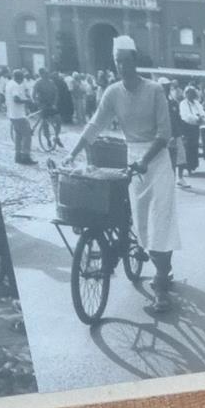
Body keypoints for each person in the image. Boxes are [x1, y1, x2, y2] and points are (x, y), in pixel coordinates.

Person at [66, 36, 180, 316]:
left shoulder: (154, 90)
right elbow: (95, 123)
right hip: (133, 158)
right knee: (140, 223)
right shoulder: (112, 92)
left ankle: (161, 286)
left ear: (135, 61)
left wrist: (145, 161)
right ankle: (143, 257)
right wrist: (73, 152)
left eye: (126, 61)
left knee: (159, 222)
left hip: (157, 160)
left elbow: (164, 134)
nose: (121, 67)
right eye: (117, 62)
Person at [175, 85, 205, 188]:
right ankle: (187, 168)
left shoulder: (197, 103)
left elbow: (202, 112)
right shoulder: (183, 103)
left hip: (195, 127)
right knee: (187, 147)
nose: (190, 95)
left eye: (192, 93)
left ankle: (192, 166)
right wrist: (196, 118)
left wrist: (204, 118)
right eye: (189, 93)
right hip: (186, 127)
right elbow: (185, 115)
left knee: (194, 146)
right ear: (186, 94)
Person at [2, 67, 33, 164]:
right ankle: (26, 157)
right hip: (18, 114)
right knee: (27, 135)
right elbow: (16, 99)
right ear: (19, 77)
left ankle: (18, 156)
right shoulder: (15, 85)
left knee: (18, 136)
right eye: (22, 78)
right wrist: (28, 101)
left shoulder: (9, 84)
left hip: (12, 114)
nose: (23, 80)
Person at [32, 65, 62, 151]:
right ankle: (48, 139)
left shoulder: (51, 82)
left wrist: (55, 103)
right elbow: (33, 94)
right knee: (45, 123)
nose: (47, 75)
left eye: (47, 73)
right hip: (43, 105)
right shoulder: (38, 83)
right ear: (41, 74)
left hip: (51, 104)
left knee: (58, 120)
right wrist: (36, 102)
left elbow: (56, 93)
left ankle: (56, 137)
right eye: (45, 73)